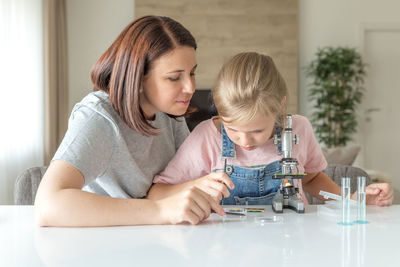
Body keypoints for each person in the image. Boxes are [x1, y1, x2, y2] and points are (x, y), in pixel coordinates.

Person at [34, 15, 226, 227]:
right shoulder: (99, 116)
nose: (190, 87)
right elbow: (47, 206)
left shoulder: (170, 115)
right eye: (174, 77)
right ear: (138, 78)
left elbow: (177, 185)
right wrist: (160, 210)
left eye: (192, 73)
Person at [147, 52, 394, 207]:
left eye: (256, 131)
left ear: (280, 107)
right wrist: (197, 185)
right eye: (232, 129)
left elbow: (310, 177)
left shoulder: (298, 128)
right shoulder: (206, 136)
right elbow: (157, 193)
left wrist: (350, 200)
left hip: (291, 240)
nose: (245, 141)